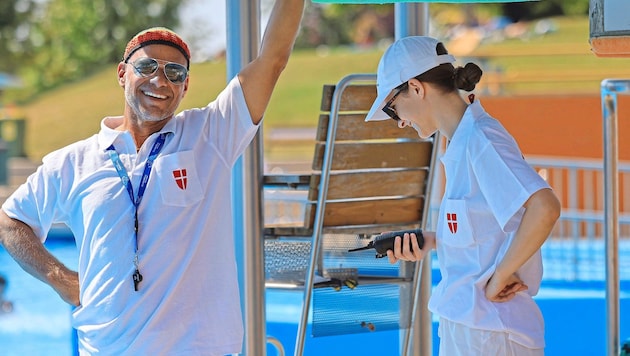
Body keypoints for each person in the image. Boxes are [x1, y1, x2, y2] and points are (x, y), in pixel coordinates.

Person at [0, 0, 304, 354]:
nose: (160, 79)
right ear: (121, 74)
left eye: (174, 72)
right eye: (146, 66)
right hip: (106, 348)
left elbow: (273, 59)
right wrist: (61, 279)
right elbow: (11, 221)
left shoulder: (211, 134)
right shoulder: (73, 162)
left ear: (185, 86)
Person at [365, 36, 561, 356]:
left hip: (492, 332)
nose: (399, 120)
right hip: (475, 329)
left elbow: (545, 206)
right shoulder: (461, 142)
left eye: (391, 107)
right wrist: (430, 241)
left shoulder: (480, 138)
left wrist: (500, 276)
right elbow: (485, 230)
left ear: (415, 87)